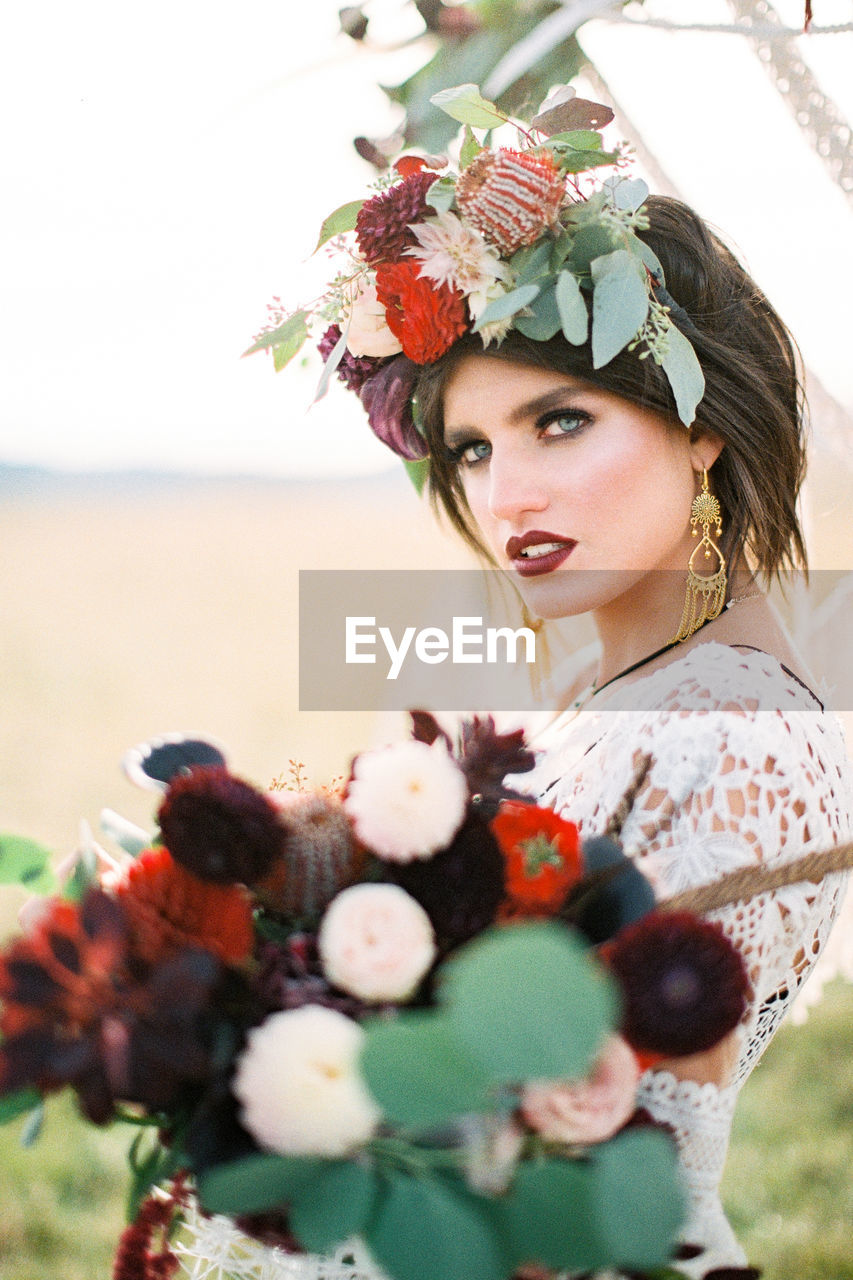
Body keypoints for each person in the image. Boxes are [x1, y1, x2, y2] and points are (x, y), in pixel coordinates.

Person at [180, 100, 853, 1279]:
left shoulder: (728, 732)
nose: (506, 498)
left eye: (559, 420)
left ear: (698, 425)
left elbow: (555, 1137)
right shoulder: (625, 685)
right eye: (476, 447)